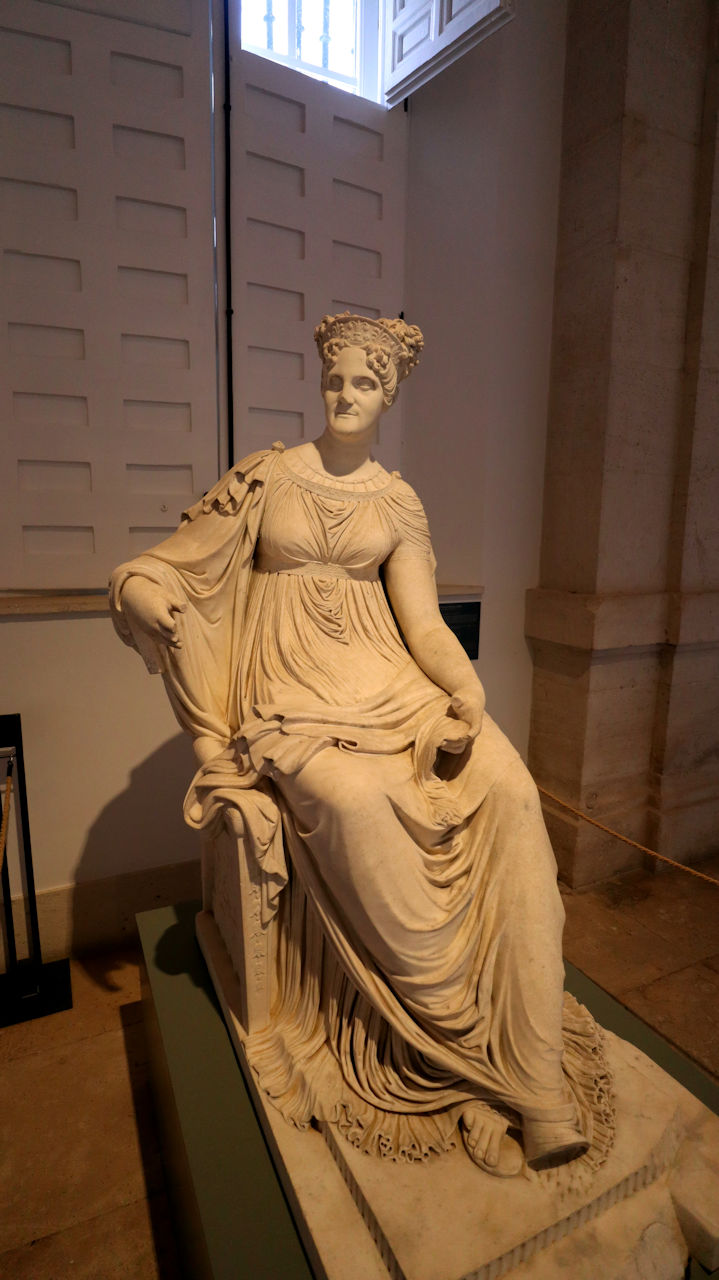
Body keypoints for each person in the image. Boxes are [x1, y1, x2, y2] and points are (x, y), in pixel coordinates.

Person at [110, 314, 612, 1176]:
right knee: (353, 804)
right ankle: (459, 1043)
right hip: (294, 699)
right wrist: (137, 588)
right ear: (321, 385)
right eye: (336, 381)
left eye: (366, 384)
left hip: (392, 687)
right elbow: (167, 560)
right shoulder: (267, 478)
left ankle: (530, 1069)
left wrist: (465, 690)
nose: (347, 396)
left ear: (389, 396)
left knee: (508, 790)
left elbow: (423, 624)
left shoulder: (396, 502)